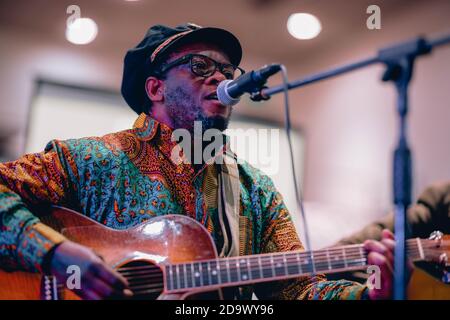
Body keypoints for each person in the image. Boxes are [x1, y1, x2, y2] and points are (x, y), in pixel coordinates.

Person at [0, 23, 398, 300]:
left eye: (228, 71)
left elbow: (297, 289)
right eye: (200, 67)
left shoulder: (255, 189)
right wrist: (54, 253)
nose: (220, 78)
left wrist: (369, 294)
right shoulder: (88, 160)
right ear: (155, 88)